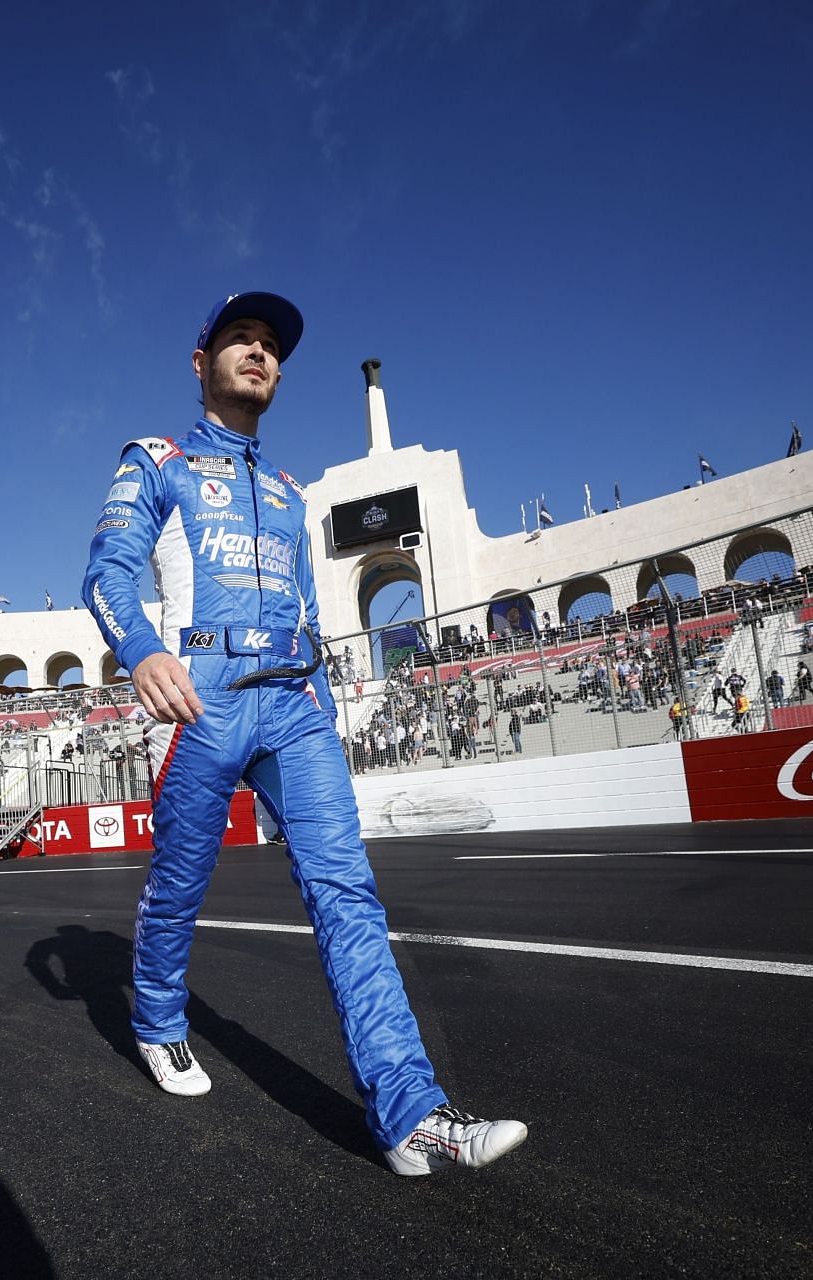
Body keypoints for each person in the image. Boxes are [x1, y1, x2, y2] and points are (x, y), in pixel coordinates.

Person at [81, 291, 525, 1177]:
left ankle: (411, 1113)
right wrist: (138, 651)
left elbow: (311, 613)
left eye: (271, 345)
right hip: (200, 699)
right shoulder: (157, 461)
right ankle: (157, 1019)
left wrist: (320, 702)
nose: (259, 352)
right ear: (200, 361)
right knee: (178, 887)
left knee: (348, 891)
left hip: (293, 702)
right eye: (240, 338)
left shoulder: (290, 493)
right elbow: (106, 571)